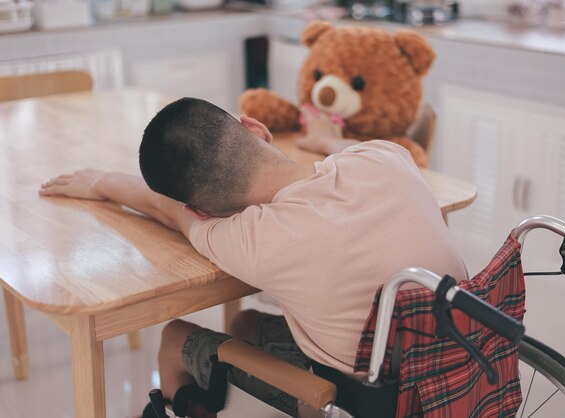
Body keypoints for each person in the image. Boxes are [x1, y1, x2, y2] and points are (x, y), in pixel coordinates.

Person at [39, 98, 467, 417]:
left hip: (371, 402)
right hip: (466, 366)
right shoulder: (385, 157)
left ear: (204, 212)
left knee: (173, 339)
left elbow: (164, 209)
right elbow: (348, 149)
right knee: (243, 324)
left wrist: (102, 181)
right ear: (257, 128)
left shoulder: (250, 239)